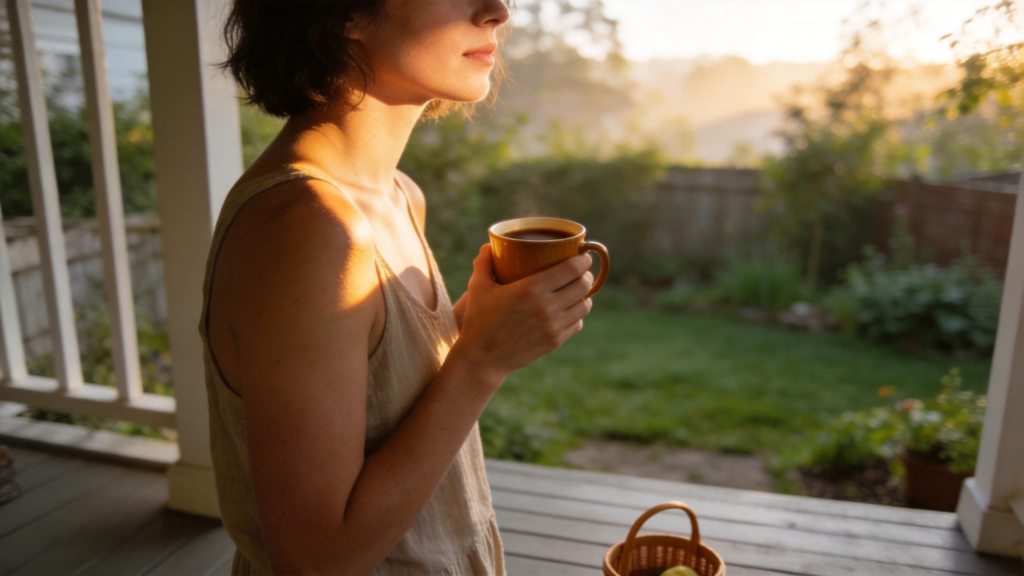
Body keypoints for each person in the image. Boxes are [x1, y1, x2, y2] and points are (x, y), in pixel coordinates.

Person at [197, 1, 596, 574]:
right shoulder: (306, 229)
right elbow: (314, 561)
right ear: (344, 12)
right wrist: (482, 361)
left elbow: (384, 392)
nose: (498, 11)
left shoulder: (400, 195)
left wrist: (473, 325)